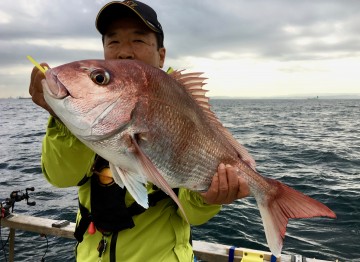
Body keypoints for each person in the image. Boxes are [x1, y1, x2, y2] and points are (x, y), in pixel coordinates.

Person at [29, 1, 250, 261]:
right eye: (113, 42)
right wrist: (61, 116)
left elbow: (192, 215)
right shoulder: (88, 112)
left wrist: (209, 198)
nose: (124, 52)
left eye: (138, 40)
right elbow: (61, 177)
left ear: (161, 55)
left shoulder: (182, 107)